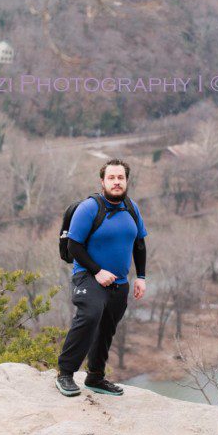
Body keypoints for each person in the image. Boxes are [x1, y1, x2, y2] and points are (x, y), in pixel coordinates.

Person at [55, 158, 147, 397]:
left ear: (126, 181)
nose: (116, 182)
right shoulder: (89, 208)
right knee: (90, 315)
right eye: (111, 178)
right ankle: (65, 373)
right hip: (88, 276)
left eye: (120, 178)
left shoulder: (132, 208)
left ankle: (95, 377)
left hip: (120, 283)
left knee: (107, 328)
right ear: (102, 181)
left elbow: (139, 244)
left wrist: (142, 276)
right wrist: (97, 271)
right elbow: (74, 246)